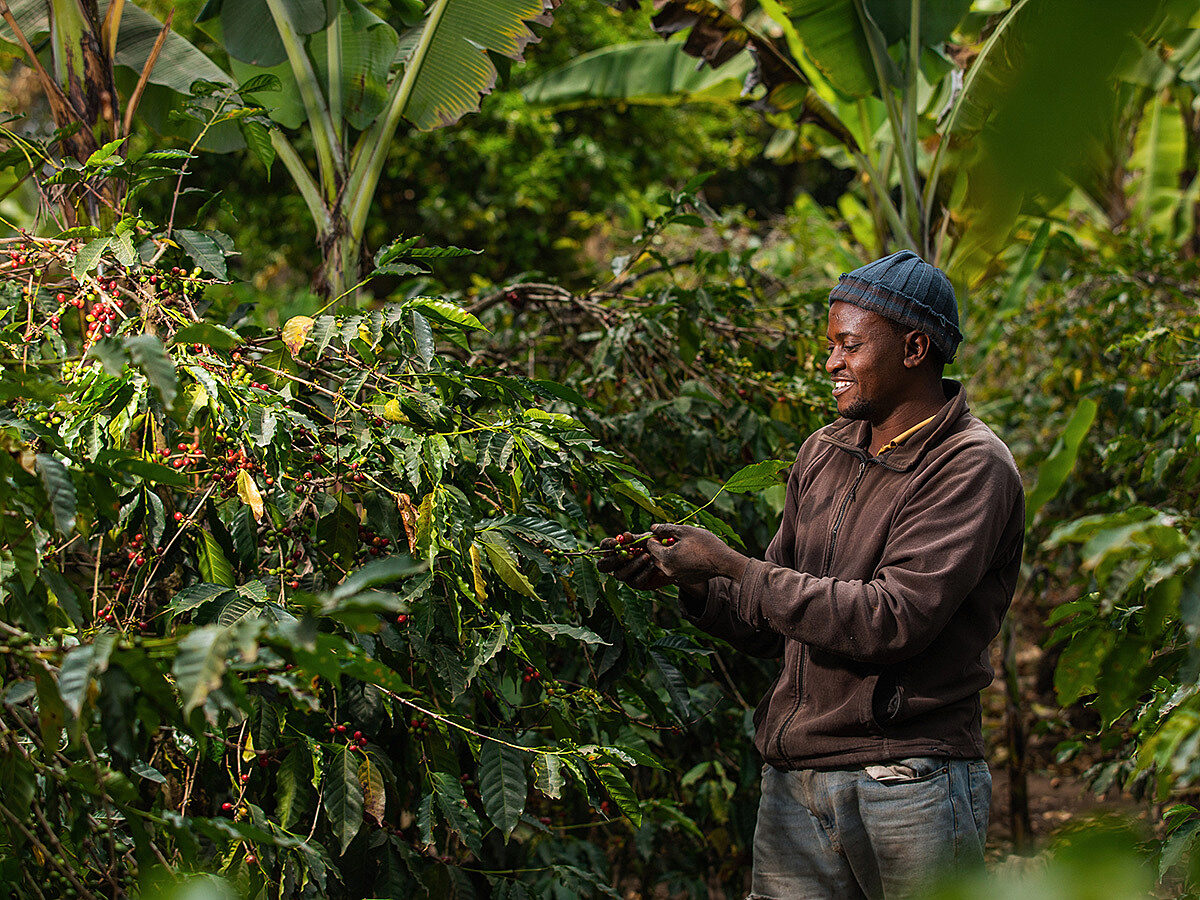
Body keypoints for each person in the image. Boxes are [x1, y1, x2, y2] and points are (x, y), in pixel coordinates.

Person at [599, 250, 1024, 899]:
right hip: (797, 783)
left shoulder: (970, 466)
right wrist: (692, 580)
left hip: (905, 781)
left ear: (914, 347)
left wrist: (734, 565)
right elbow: (772, 618)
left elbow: (892, 621)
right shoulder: (824, 452)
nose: (830, 364)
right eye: (830, 346)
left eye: (848, 346)